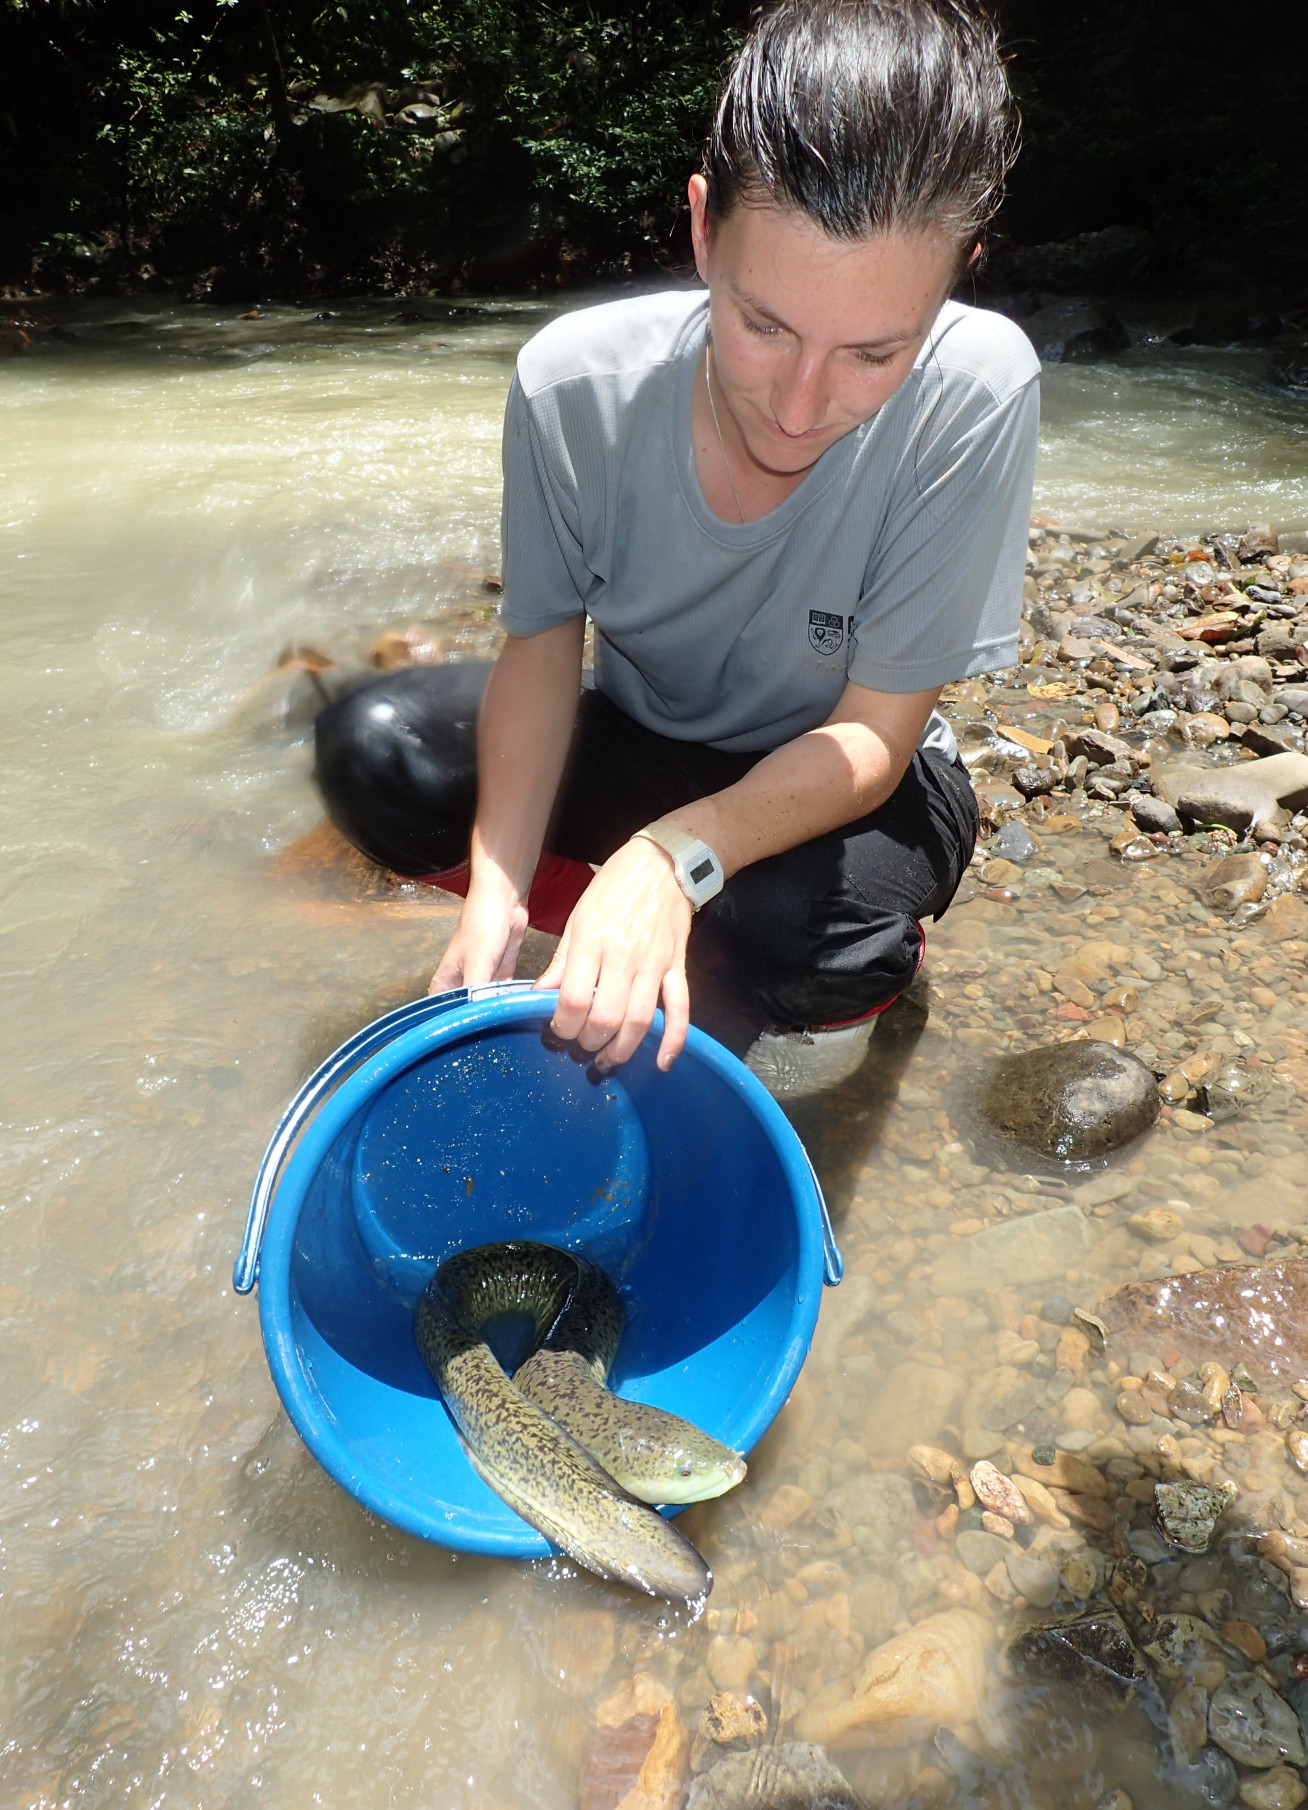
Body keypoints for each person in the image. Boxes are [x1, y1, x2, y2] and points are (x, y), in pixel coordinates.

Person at [315, 0, 1040, 1098]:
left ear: (956, 277)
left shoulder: (979, 389)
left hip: (854, 775)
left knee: (818, 928)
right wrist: (498, 892)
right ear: (703, 227)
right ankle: (630, 929)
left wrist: (676, 857)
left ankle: (730, 936)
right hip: (648, 734)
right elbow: (544, 652)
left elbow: (877, 739)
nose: (800, 406)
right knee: (376, 749)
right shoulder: (572, 387)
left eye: (872, 352)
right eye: (762, 325)